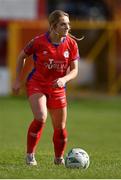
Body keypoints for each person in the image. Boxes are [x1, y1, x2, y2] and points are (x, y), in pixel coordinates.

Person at [12, 10, 80, 166]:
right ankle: (30, 155)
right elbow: (22, 56)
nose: (67, 27)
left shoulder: (71, 44)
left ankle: (59, 159)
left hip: (58, 89)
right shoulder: (38, 42)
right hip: (37, 84)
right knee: (41, 117)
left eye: (68, 24)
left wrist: (64, 79)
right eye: (63, 24)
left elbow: (75, 70)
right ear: (53, 26)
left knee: (60, 127)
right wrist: (17, 80)